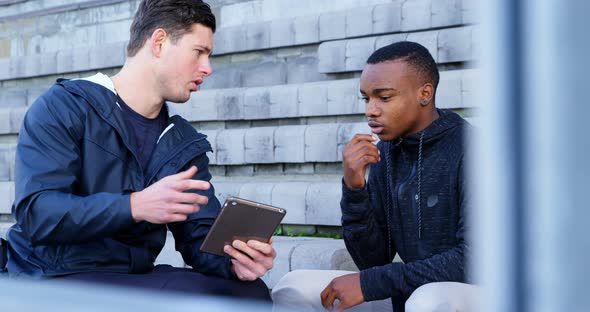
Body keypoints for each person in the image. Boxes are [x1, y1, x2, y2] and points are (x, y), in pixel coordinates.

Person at [3, 0, 275, 303]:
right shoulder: (65, 106)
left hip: (126, 276)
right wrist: (134, 206)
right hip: (52, 274)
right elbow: (37, 213)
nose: (207, 69)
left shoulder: (180, 141)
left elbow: (198, 235)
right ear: (159, 42)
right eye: (199, 52)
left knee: (248, 294)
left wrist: (234, 260)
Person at [271, 41, 478, 312]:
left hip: (485, 292)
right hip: (413, 289)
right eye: (366, 98)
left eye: (384, 97)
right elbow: (373, 260)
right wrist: (354, 187)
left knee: (428, 301)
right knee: (294, 286)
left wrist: (371, 283)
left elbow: (472, 262)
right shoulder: (386, 153)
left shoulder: (474, 149)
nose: (371, 110)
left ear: (424, 93)